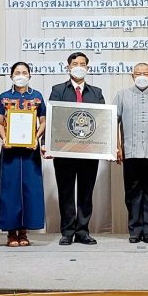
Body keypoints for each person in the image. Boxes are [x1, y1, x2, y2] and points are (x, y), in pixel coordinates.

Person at [48, 51, 105, 246]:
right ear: (68, 67)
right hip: (64, 151)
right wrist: (47, 146)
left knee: (86, 191)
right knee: (65, 191)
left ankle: (83, 231)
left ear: (87, 68)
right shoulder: (58, 90)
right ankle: (68, 231)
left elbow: (102, 122)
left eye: (82, 63)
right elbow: (52, 120)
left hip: (89, 151)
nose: (78, 66)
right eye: (75, 63)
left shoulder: (96, 92)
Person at [114, 63, 148, 243]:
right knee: (132, 192)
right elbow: (113, 121)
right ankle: (134, 230)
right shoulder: (122, 95)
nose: (142, 76)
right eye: (138, 73)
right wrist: (117, 146)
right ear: (132, 76)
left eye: (146, 73)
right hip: (130, 152)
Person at [0, 62, 46, 247]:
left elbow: (43, 121)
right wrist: (4, 139)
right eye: (17, 72)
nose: (21, 75)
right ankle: (11, 232)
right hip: (10, 151)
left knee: (30, 190)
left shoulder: (37, 97)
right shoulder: (4, 97)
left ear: (30, 76)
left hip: (30, 150)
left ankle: (24, 232)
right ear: (11, 76)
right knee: (10, 190)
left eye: (24, 72)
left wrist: (36, 138)